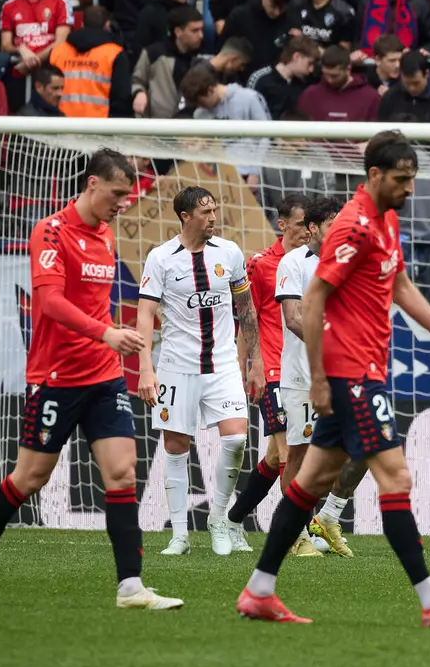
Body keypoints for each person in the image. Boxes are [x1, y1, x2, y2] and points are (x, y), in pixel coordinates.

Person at [235, 131, 430, 626]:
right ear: (374, 175)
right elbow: (312, 302)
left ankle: (260, 591)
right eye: (401, 179)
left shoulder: (387, 220)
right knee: (396, 477)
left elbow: (399, 286)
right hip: (350, 375)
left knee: (309, 482)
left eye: (414, 178)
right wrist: (318, 380)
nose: (410, 188)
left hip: (361, 372)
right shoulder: (352, 227)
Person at [0, 149, 183, 610]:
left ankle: (130, 587)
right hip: (55, 378)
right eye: (117, 194)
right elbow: (51, 303)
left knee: (121, 474)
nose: (123, 204)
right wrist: (108, 332)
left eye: (127, 196)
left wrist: (119, 334)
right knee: (29, 477)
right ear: (92, 184)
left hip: (104, 376)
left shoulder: (106, 236)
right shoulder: (51, 232)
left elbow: (94, 305)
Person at [135, 186, 261, 557]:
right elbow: (144, 314)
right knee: (175, 446)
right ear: (185, 216)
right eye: (205, 212)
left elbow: (247, 310)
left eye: (215, 210)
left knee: (236, 439)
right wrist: (145, 368)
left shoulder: (230, 253)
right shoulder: (161, 258)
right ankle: (179, 535)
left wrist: (254, 361)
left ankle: (218, 518)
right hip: (177, 364)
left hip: (222, 362)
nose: (213, 217)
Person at [274, 195, 362, 558]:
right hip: (301, 375)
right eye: (331, 225)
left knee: (366, 447)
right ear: (312, 229)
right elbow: (294, 318)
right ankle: (296, 535)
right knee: (298, 456)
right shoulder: (292, 263)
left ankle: (328, 517)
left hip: (345, 374)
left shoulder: (349, 262)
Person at [224, 196, 311, 551]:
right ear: (283, 225)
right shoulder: (261, 264)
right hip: (273, 367)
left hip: (303, 369)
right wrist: (244, 365)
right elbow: (248, 317)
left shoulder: (315, 264)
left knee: (277, 458)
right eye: (302, 223)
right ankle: (299, 534)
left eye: (311, 224)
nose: (307, 230)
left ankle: (230, 520)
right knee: (290, 454)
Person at [48, 5, 133, 118]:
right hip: (98, 127)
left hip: (62, 123)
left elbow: (45, 91)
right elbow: (122, 98)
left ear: (82, 24)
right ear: (107, 25)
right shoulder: (114, 53)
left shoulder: (57, 52)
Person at [246, 36, 319, 119]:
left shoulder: (304, 83)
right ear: (296, 56)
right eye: (309, 63)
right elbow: (247, 111)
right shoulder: (260, 79)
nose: (311, 70)